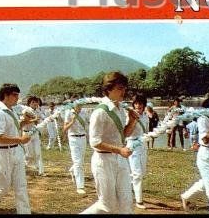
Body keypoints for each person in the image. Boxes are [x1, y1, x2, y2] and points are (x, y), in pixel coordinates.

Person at [81, 71, 139, 214]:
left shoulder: (119, 109)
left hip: (120, 160)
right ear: (108, 90)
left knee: (126, 203)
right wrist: (119, 150)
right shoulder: (100, 112)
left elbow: (123, 135)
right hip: (103, 160)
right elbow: (94, 142)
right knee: (107, 206)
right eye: (119, 88)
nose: (123, 91)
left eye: (124, 88)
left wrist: (132, 121)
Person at [0, 83, 32, 214]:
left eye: (17, 95)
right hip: (2, 153)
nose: (17, 98)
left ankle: (24, 212)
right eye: (14, 95)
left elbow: (13, 127)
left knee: (21, 186)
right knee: (3, 186)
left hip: (16, 151)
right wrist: (20, 139)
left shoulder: (11, 111)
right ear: (5, 95)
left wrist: (24, 122)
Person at [126, 94, 150, 209]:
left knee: (142, 172)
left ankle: (126, 188)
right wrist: (134, 120)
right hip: (133, 145)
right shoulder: (129, 116)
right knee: (137, 174)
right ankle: (139, 201)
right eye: (136, 103)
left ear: (144, 105)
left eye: (140, 103)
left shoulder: (145, 116)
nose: (138, 105)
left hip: (143, 146)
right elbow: (127, 133)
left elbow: (146, 132)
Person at [62, 101, 88, 194]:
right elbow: (64, 128)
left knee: (80, 161)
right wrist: (72, 121)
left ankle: (73, 170)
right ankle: (80, 186)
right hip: (73, 138)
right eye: (78, 104)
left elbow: (87, 124)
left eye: (81, 104)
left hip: (83, 137)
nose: (79, 106)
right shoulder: (69, 113)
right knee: (78, 163)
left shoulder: (84, 112)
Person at [23, 96, 45, 176]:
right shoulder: (26, 111)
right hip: (27, 133)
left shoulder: (39, 111)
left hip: (35, 133)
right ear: (29, 103)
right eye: (33, 102)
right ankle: (24, 165)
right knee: (29, 154)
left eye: (36, 102)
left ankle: (41, 171)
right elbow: (24, 121)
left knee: (38, 152)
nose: (35, 104)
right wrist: (34, 120)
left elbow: (43, 119)